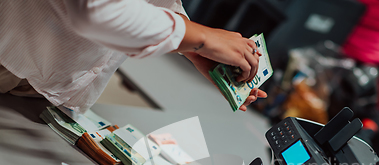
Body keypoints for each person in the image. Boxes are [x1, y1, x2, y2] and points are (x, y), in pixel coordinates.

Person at [0, 0, 267, 112]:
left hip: (45, 84)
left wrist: (191, 47)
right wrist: (202, 38)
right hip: (10, 55)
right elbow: (96, 10)